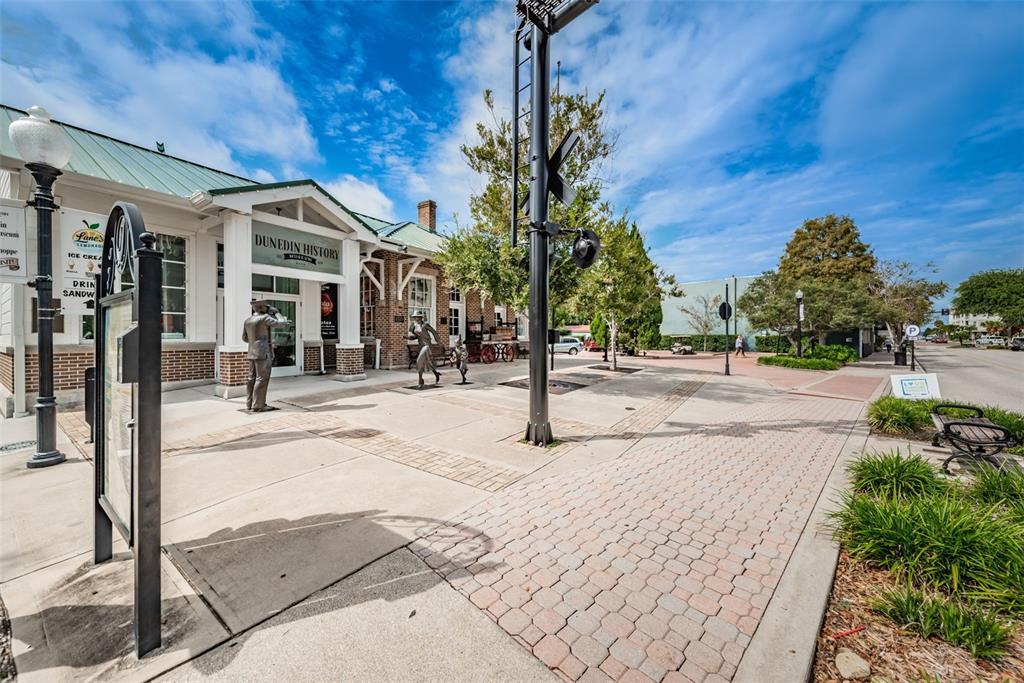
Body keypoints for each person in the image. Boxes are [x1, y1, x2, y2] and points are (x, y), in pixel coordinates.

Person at [242, 300, 288, 412]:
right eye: (266, 307)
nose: (268, 308)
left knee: (251, 378)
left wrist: (255, 342)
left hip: (252, 352)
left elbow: (244, 338)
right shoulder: (264, 318)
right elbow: (282, 323)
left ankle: (250, 403)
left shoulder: (248, 320)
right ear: (262, 308)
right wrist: (277, 313)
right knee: (261, 378)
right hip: (263, 352)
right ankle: (258, 405)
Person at [409, 313, 443, 388]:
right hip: (420, 346)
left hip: (427, 345)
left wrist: (438, 341)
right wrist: (408, 338)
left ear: (420, 317)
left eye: (416, 317)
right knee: (428, 362)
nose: (414, 318)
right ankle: (436, 373)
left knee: (419, 361)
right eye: (414, 317)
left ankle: (420, 380)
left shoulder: (425, 325)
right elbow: (416, 337)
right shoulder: (414, 326)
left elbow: (434, 332)